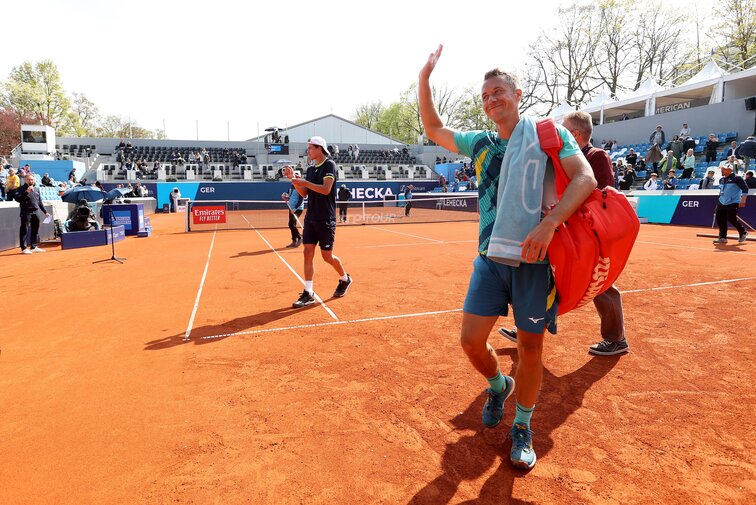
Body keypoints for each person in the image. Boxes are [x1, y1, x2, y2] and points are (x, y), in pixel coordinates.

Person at [419, 45, 596, 470]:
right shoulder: (478, 142)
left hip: (536, 259)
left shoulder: (549, 132)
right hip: (490, 257)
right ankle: (498, 385)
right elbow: (433, 128)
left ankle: (522, 425)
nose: (492, 99)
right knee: (470, 341)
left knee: (531, 349)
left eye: (498, 91)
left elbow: (585, 178)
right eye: (485, 96)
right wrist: (424, 79)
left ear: (517, 93)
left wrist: (549, 224)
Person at [499, 111, 628, 356]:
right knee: (549, 280)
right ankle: (530, 327)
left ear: (576, 134)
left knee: (602, 283)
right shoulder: (561, 156)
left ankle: (616, 338)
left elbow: (602, 195)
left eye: (565, 130)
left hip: (589, 235)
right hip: (565, 230)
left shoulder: (596, 156)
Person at [288, 136, 352, 308]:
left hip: (326, 218)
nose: (308, 151)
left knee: (327, 257)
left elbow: (325, 190)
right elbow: (304, 194)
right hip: (311, 218)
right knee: (307, 252)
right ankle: (309, 292)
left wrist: (305, 181)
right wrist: (293, 180)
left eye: (310, 148)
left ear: (319, 149)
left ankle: (345, 279)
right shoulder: (310, 169)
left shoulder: (329, 165)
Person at [712, 162, 748, 244]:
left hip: (733, 202)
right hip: (722, 202)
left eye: (723, 169)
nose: (722, 170)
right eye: (722, 169)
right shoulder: (721, 179)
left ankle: (743, 232)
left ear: (730, 170)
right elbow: (721, 191)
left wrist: (743, 199)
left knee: (731, 218)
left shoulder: (737, 178)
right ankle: (722, 237)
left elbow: (745, 188)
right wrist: (719, 201)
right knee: (720, 219)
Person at [15, 173, 50, 254]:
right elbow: (18, 199)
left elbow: (40, 202)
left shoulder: (37, 189)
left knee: (35, 229)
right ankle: (24, 248)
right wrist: (26, 192)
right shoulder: (20, 189)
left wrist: (45, 212)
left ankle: (33, 246)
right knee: (24, 230)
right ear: (25, 180)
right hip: (26, 212)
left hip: (36, 211)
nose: (30, 181)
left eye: (32, 179)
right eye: (29, 179)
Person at [282, 173, 304, 248]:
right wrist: (284, 195)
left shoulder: (300, 186)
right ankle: (294, 241)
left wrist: (295, 209)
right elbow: (288, 194)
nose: (296, 178)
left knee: (291, 224)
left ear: (300, 177)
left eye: (298, 177)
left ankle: (300, 238)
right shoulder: (291, 185)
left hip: (298, 209)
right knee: (292, 224)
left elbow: (301, 200)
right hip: (291, 208)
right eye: (295, 176)